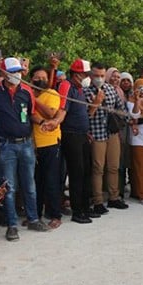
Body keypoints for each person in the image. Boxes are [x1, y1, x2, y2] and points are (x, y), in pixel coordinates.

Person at [0, 57, 49, 241]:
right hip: (6, 144)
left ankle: (33, 219)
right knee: (9, 186)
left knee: (29, 184)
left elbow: (30, 115)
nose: (16, 74)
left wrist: (43, 122)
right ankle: (12, 224)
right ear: (4, 73)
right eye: (12, 71)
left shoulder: (27, 91)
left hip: (26, 143)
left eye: (18, 71)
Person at [84, 63, 129, 215]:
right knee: (98, 168)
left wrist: (117, 116)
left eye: (102, 75)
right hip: (96, 133)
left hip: (112, 132)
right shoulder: (85, 91)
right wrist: (96, 103)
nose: (99, 78)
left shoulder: (110, 89)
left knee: (113, 166)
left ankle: (114, 197)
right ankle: (97, 201)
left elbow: (121, 108)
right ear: (90, 76)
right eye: (96, 75)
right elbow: (85, 116)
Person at [58, 59, 96, 223]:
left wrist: (85, 131)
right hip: (70, 135)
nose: (88, 77)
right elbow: (63, 108)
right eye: (86, 74)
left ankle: (86, 207)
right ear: (76, 74)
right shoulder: (67, 86)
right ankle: (77, 210)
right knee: (77, 173)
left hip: (82, 135)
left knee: (87, 171)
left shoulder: (80, 89)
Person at [29, 67, 64, 229]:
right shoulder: (26, 94)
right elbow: (29, 115)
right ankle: (35, 215)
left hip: (50, 142)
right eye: (37, 78)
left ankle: (55, 215)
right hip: (33, 145)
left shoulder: (52, 93)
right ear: (31, 79)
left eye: (44, 77)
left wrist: (34, 100)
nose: (41, 80)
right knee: (37, 182)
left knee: (51, 181)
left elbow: (50, 114)